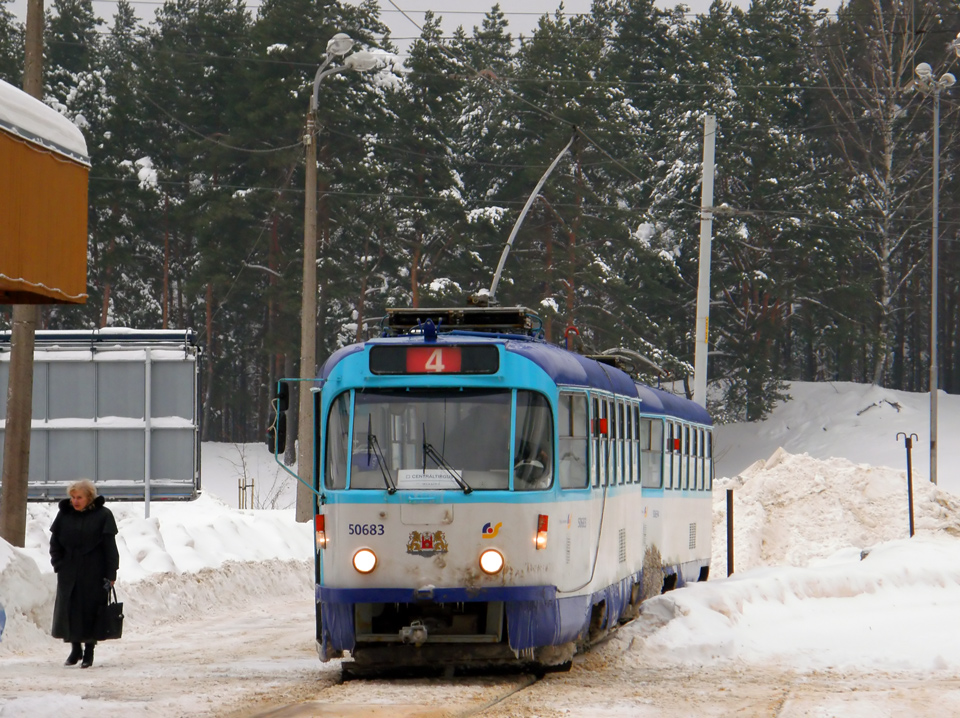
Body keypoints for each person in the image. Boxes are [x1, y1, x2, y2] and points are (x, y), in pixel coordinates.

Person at [50, 479, 119, 668]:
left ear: (89, 497)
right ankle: (75, 649)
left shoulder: (103, 516)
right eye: (72, 497)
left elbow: (110, 548)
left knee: (90, 611)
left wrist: (111, 574)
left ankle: (89, 652)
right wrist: (58, 564)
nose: (75, 501)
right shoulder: (64, 516)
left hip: (94, 572)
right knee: (69, 610)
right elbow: (55, 543)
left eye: (79, 497)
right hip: (69, 571)